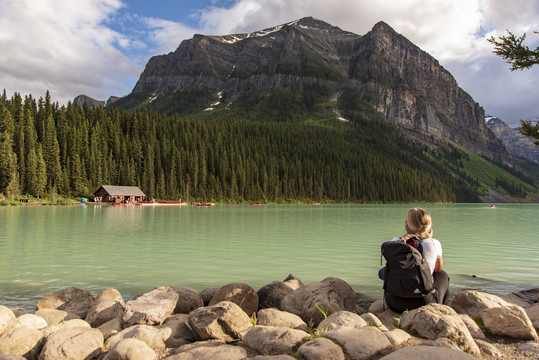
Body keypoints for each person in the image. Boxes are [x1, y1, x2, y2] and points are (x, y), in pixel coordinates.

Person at [381, 207, 450, 313]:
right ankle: (443, 311)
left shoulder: (395, 241)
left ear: (406, 225)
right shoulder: (433, 243)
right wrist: (429, 239)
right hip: (422, 304)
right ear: (429, 227)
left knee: (384, 271)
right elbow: (437, 268)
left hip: (393, 303)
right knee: (443, 275)